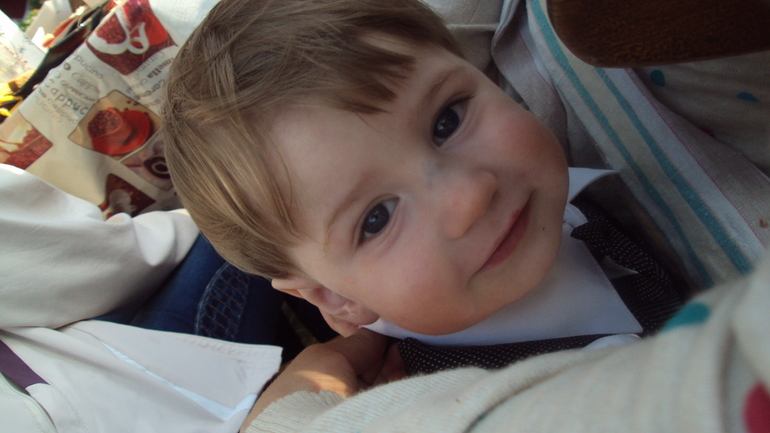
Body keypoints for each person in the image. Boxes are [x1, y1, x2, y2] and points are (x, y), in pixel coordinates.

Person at [162, 0, 685, 375]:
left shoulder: (571, 191)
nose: (469, 197)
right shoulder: (471, 402)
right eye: (377, 218)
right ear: (334, 297)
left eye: (446, 120)